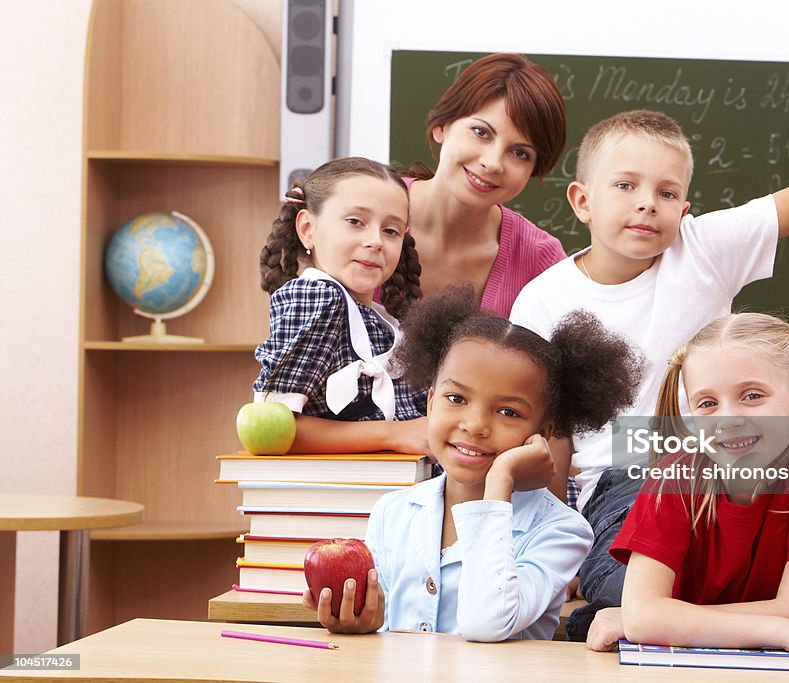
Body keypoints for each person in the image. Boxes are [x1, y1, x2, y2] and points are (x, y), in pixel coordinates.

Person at [508, 110, 789, 636]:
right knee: (623, 576)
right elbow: (551, 432)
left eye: (668, 193)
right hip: (627, 478)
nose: (647, 203)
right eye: (626, 185)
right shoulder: (544, 299)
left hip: (742, 464)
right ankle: (647, 611)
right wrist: (552, 538)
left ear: (685, 208)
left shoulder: (698, 246)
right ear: (582, 201)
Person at [303, 284, 644, 641]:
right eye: (455, 398)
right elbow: (387, 627)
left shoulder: (561, 531)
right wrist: (364, 623)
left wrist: (501, 479)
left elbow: (488, 623)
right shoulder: (392, 513)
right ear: (431, 402)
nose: (476, 424)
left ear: (542, 432)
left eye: (508, 411)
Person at [597, 313, 789, 667]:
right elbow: (645, 616)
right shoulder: (673, 479)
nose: (728, 418)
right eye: (708, 403)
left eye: (752, 396)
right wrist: (783, 631)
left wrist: (662, 620)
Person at [254, 157, 428, 454]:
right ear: (308, 228)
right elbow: (272, 429)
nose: (375, 241)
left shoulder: (380, 318)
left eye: (391, 231)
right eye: (355, 222)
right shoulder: (317, 297)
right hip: (337, 496)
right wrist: (393, 435)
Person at [381, 53, 568, 317]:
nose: (493, 163)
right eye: (481, 132)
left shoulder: (541, 261)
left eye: (520, 153)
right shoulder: (356, 211)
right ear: (441, 126)